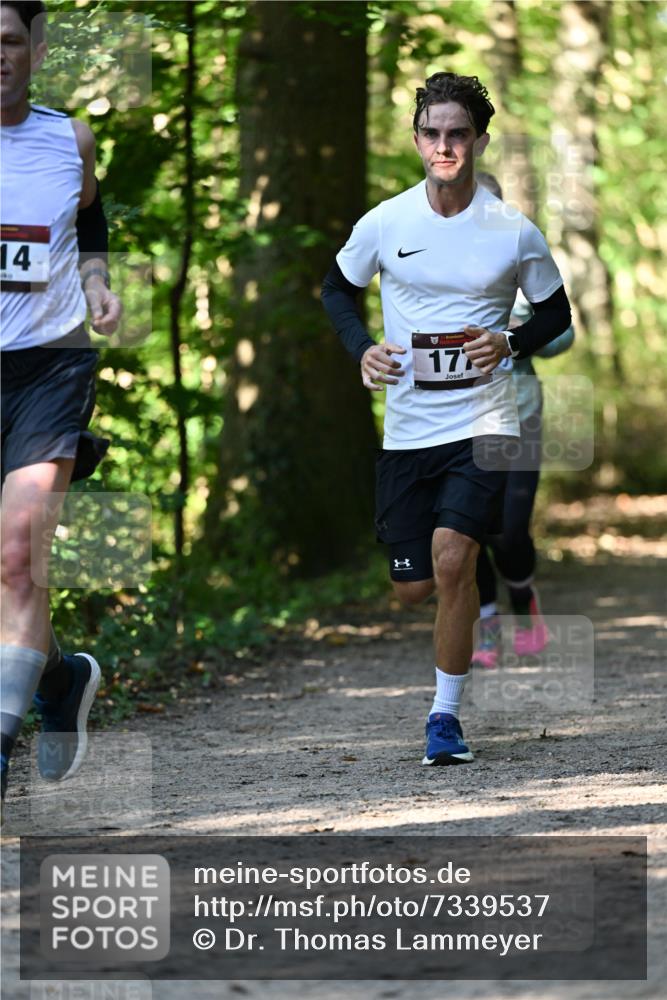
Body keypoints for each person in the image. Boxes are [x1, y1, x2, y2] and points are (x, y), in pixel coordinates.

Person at [321, 72, 571, 765]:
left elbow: (555, 312)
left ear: (478, 140)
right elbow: (336, 290)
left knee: (454, 558)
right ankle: (453, 632)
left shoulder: (512, 232)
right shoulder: (385, 222)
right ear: (416, 141)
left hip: (485, 422)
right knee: (412, 586)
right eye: (431, 133)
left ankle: (444, 718)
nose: (443, 145)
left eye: (457, 133)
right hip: (406, 430)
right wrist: (362, 348)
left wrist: (511, 342)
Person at [1, 0, 122, 808]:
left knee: (17, 551)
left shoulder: (68, 137)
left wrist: (98, 280)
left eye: (10, 40)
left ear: (38, 48)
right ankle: (61, 680)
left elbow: (90, 221)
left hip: (50, 364)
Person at [471, 172, 575, 668]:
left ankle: (522, 592)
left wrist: (521, 334)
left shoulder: (520, 261)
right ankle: (486, 622)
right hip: (460, 420)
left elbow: (561, 333)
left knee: (510, 531)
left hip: (521, 417)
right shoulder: (438, 267)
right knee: (469, 529)